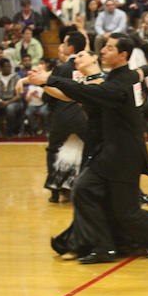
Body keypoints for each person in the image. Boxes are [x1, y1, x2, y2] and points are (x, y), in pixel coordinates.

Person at [29, 33, 148, 263]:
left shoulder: (118, 84)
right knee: (84, 190)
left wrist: (51, 78)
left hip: (124, 155)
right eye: (103, 48)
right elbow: (77, 93)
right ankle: (102, 247)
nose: (103, 51)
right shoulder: (115, 78)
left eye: (109, 48)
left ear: (123, 55)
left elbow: (88, 92)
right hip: (108, 154)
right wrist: (45, 81)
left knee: (125, 210)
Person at [43, 31, 89, 203]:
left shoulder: (62, 68)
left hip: (63, 116)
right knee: (93, 150)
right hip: (84, 116)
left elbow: (47, 97)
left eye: (64, 43)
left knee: (53, 150)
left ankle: (54, 192)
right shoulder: (89, 66)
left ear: (70, 47)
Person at [0, 59, 23, 140]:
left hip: (13, 101)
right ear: (1, 68)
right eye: (7, 67)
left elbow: (19, 95)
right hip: (0, 101)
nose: (9, 68)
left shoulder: (16, 78)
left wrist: (7, 102)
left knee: (10, 108)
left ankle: (9, 132)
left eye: (10, 66)